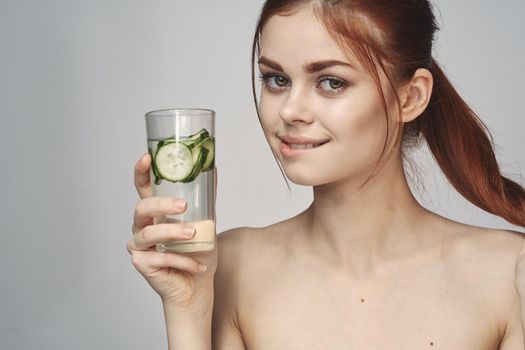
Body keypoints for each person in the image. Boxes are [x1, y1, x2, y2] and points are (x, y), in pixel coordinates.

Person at [128, 0, 525, 348]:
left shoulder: (510, 275)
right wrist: (186, 309)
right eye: (276, 79)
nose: (289, 111)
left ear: (410, 97)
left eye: (331, 82)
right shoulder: (229, 266)